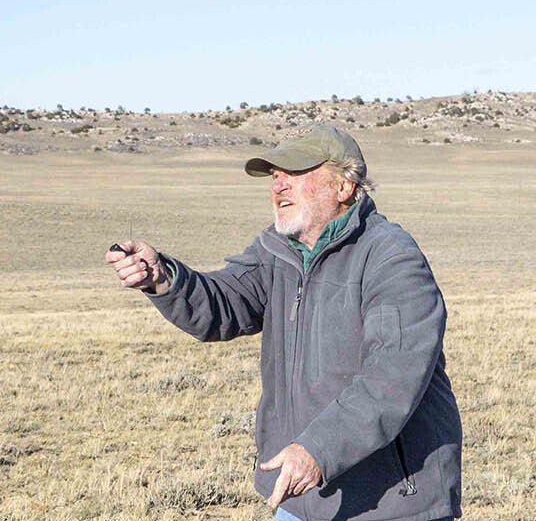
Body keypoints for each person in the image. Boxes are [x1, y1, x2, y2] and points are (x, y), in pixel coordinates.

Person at [107, 123, 460, 521]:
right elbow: (223, 304)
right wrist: (163, 277)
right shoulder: (277, 251)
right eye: (275, 176)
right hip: (299, 496)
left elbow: (393, 376)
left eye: (295, 173)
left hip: (390, 502)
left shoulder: (390, 257)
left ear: (344, 186)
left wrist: (318, 450)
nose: (278, 186)